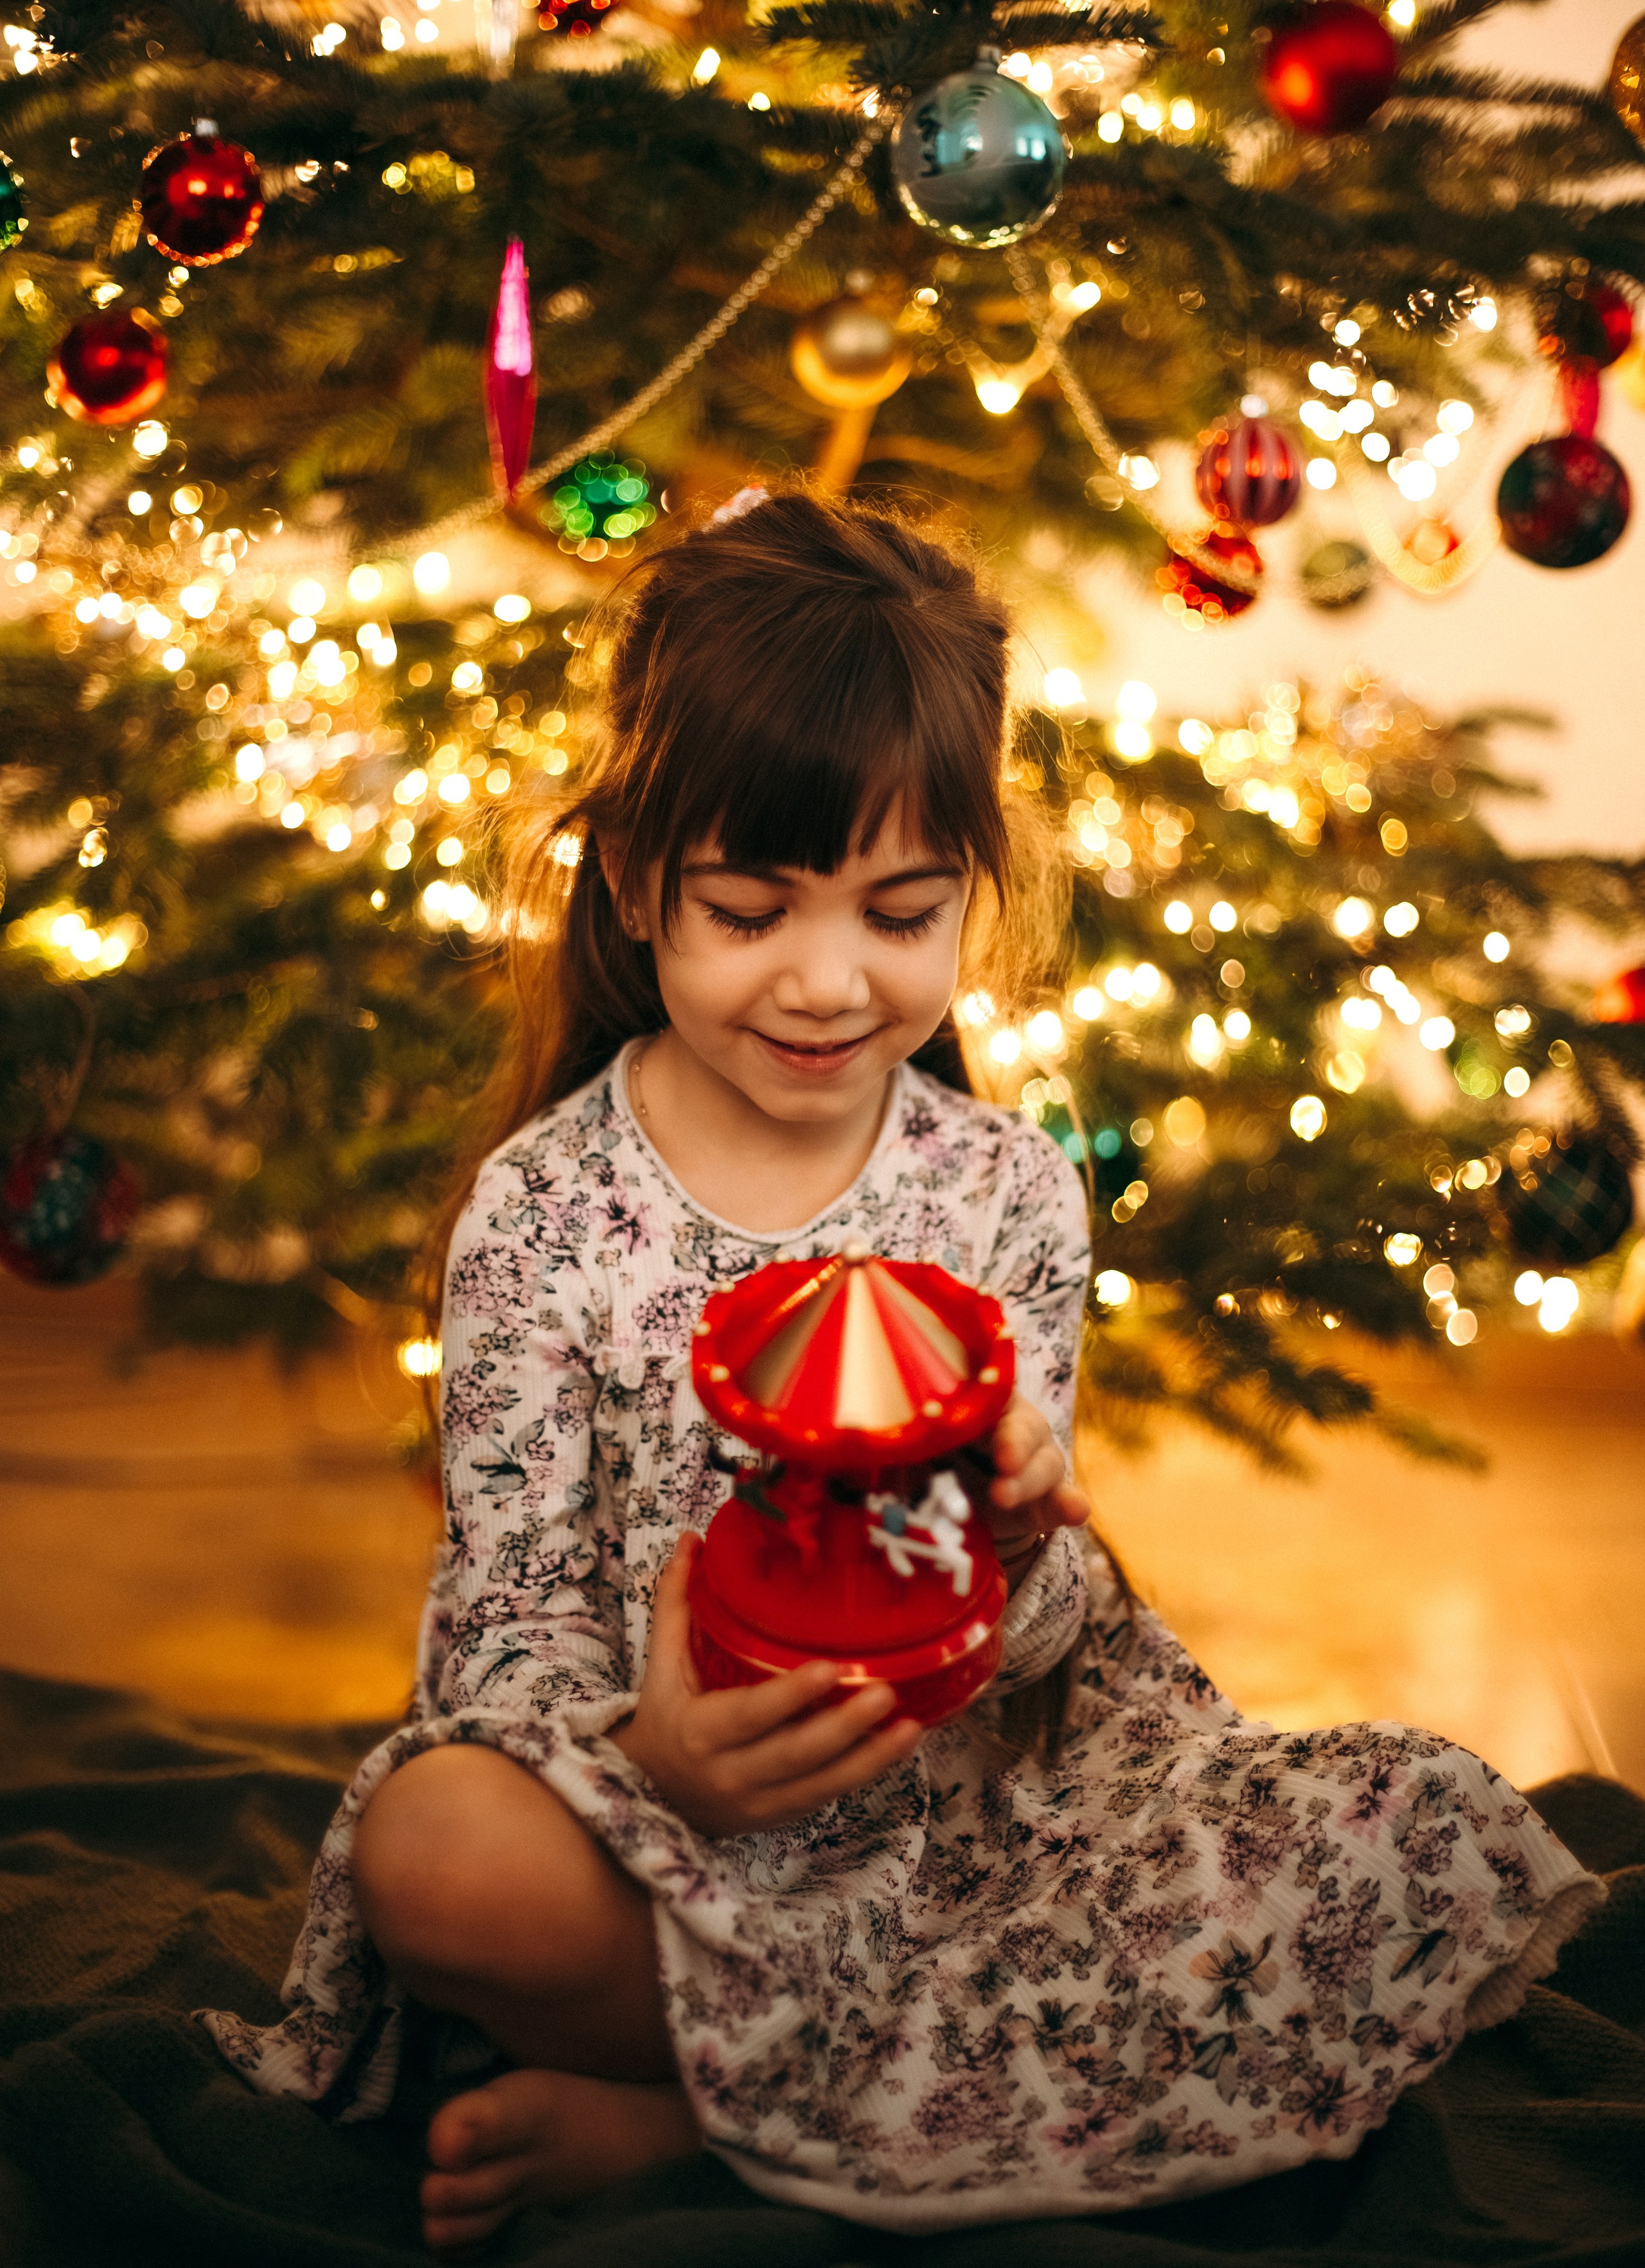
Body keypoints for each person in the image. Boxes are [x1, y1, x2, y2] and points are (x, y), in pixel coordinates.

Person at [202, 492, 1604, 2254]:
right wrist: (658, 1758)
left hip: (969, 1840)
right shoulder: (541, 1212)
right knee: (432, 1854)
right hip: (659, 1839)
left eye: (899, 907)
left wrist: (1020, 1555)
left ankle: (694, 2118)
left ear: (971, 895)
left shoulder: (1003, 1189)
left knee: (1415, 1830)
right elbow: (502, 1624)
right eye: (751, 906)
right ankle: (910, 2095)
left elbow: (1035, 1647)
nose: (827, 978)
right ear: (639, 883)